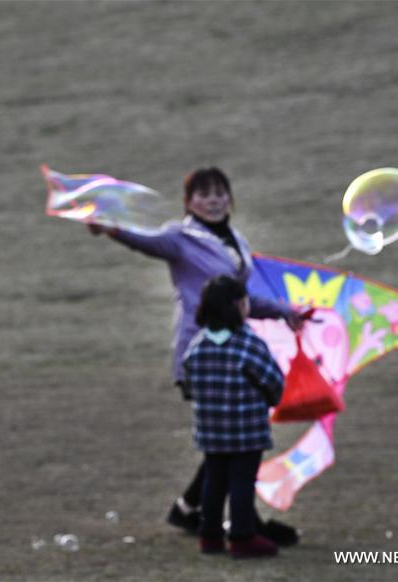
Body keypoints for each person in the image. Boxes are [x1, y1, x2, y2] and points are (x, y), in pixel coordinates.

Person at [89, 167, 300, 546]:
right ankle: (241, 524)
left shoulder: (237, 240)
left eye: (220, 192)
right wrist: (112, 229)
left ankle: (196, 511)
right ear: (189, 202)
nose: (214, 200)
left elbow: (243, 299)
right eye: (204, 194)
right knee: (233, 438)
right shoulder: (179, 237)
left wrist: (285, 311)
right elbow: (146, 242)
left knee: (228, 437)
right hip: (203, 350)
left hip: (234, 347)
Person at [184, 275, 283, 557]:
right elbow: (273, 381)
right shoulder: (249, 344)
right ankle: (242, 537)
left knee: (213, 483)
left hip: (212, 433)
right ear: (238, 306)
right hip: (246, 433)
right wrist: (270, 401)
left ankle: (210, 536)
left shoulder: (198, 347)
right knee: (241, 483)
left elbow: (190, 385)